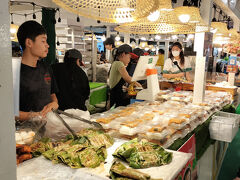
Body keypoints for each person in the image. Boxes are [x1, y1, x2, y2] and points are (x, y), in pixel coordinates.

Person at [17, 20, 58, 121]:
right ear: (29, 43)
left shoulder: (46, 67)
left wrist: (54, 103)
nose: (47, 45)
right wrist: (33, 116)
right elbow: (7, 110)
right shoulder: (14, 72)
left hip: (48, 128)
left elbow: (53, 95)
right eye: (43, 41)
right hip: (25, 133)